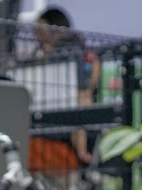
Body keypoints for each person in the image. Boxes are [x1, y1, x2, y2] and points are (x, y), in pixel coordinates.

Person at [28, 6, 101, 171]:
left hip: (64, 135)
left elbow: (83, 96)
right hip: (54, 130)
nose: (35, 35)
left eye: (40, 29)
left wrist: (81, 149)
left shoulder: (69, 53)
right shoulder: (54, 52)